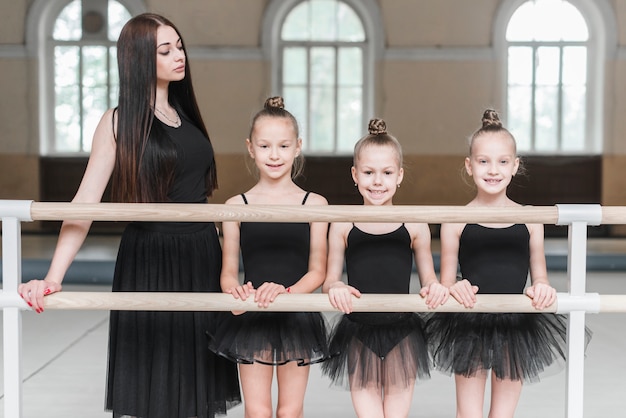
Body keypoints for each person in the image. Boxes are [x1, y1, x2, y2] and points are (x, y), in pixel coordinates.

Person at [18, 13, 241, 418]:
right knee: (154, 380)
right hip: (151, 257)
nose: (180, 55)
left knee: (195, 385)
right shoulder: (118, 122)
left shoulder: (186, 115)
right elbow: (84, 203)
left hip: (200, 252)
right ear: (139, 59)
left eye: (179, 45)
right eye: (165, 49)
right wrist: (53, 277)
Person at [426, 109, 580, 418]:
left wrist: (542, 288)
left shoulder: (531, 219)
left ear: (515, 165)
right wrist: (456, 285)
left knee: (502, 415)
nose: (493, 170)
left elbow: (540, 277)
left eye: (502, 161)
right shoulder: (455, 221)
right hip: (470, 321)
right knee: (468, 414)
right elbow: (446, 281)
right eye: (483, 161)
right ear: (469, 166)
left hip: (516, 324)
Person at [208, 96, 330, 418]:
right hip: (253, 314)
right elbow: (228, 270)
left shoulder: (315, 204)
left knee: (290, 411)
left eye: (283, 146)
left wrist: (286, 294)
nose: (274, 155)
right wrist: (237, 291)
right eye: (264, 146)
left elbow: (318, 270)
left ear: (298, 146)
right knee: (258, 411)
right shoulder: (237, 205)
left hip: (295, 313)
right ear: (250, 147)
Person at [321, 118, 449, 418]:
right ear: (354, 174)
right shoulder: (342, 223)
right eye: (368, 172)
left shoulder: (415, 224)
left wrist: (434, 286)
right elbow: (329, 281)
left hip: (403, 332)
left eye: (387, 173)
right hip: (358, 331)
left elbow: (429, 278)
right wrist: (336, 286)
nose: (377, 181)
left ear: (400, 175)